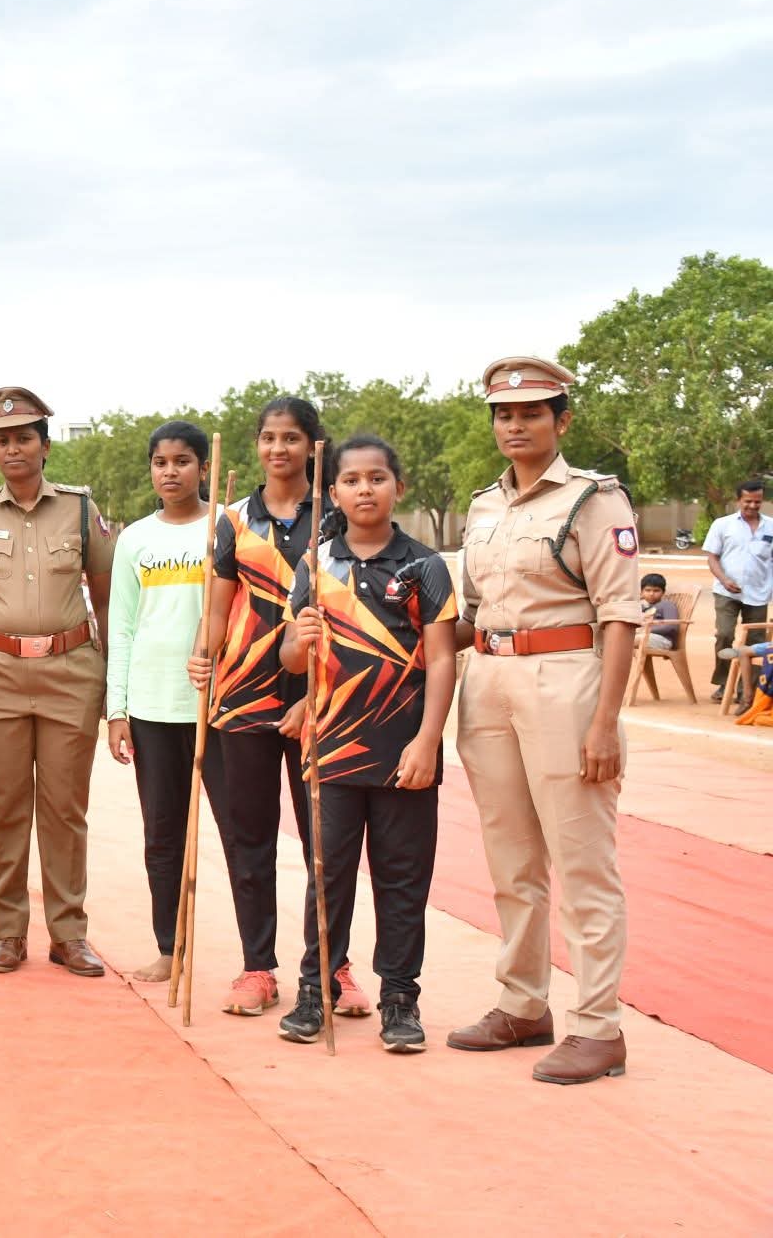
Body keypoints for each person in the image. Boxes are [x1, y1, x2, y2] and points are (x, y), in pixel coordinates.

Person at [447, 356, 640, 1085]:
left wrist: (605, 722)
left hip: (565, 681)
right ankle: (523, 1002)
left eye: (532, 412)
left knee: (583, 860)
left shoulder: (594, 501)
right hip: (488, 679)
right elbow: (467, 615)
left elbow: (620, 614)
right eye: (504, 414)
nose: (515, 425)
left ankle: (599, 1026)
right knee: (510, 857)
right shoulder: (483, 506)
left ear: (562, 420)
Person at [186, 396, 367, 1019]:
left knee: (328, 840)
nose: (278, 449)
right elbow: (217, 607)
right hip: (241, 694)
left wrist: (317, 695)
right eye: (268, 437)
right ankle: (257, 967)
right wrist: (201, 657)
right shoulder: (233, 520)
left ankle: (332, 966)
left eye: (291, 438)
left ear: (314, 446)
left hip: (323, 696)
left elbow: (348, 611)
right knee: (249, 838)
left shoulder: (334, 518)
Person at [274, 436, 457, 1052]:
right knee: (327, 878)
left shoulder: (425, 567)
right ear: (334, 492)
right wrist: (299, 637)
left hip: (404, 749)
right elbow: (292, 661)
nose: (365, 489)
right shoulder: (316, 566)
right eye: (352, 480)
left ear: (397, 488)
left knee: (403, 879)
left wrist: (429, 741)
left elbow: (441, 660)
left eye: (377, 478)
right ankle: (313, 989)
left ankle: (400, 1000)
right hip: (332, 750)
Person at [0, 388, 112, 976]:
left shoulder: (81, 511)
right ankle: (8, 931)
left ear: (44, 444)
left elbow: (108, 600)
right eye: (2, 440)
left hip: (71, 672)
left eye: (23, 437)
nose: (12, 448)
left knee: (65, 809)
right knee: (6, 806)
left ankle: (69, 933)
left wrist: (112, 689)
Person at [106, 421, 229, 984]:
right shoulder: (135, 539)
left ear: (204, 467)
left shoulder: (226, 527)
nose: (171, 471)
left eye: (183, 461)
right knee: (164, 835)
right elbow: (123, 627)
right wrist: (117, 709)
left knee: (238, 834)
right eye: (161, 462)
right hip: (154, 707)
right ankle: (169, 945)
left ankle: (258, 961)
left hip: (220, 705)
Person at [704, 480, 770, 703]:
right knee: (724, 634)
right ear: (738, 500)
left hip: (759, 593)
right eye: (748, 501)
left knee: (755, 642)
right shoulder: (723, 525)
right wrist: (724, 579)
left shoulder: (770, 526)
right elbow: (712, 557)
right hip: (726, 592)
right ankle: (724, 683)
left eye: (757, 501)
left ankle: (747, 689)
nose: (752, 505)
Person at [639, 573, 681, 652]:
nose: (651, 594)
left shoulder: (667, 605)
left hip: (663, 640)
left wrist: (646, 630)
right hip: (645, 636)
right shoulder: (641, 606)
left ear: (663, 592)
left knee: (627, 639)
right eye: (648, 590)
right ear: (641, 592)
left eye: (656, 590)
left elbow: (671, 627)